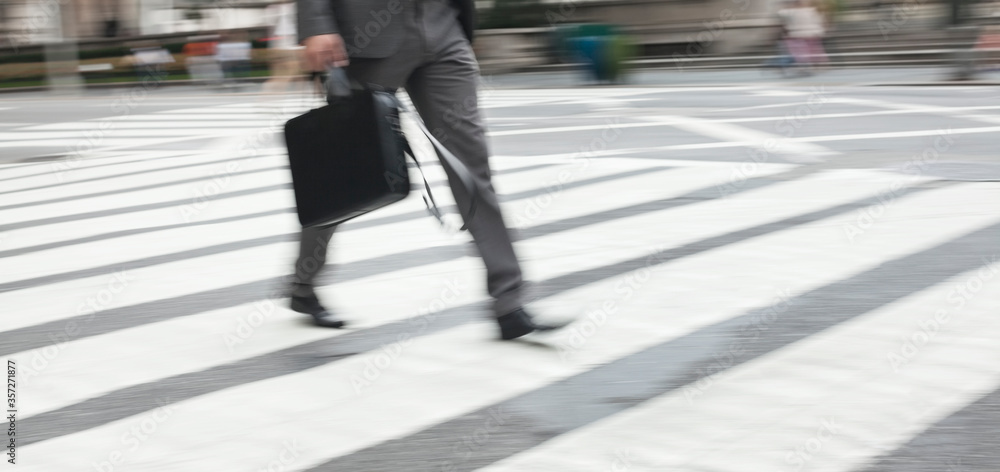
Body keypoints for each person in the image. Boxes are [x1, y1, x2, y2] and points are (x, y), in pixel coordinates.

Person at [290, 0, 565, 340]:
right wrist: (316, 24)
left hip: (443, 28)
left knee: (472, 167)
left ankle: (509, 302)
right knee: (343, 170)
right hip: (367, 35)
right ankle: (304, 283)